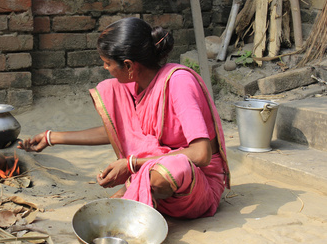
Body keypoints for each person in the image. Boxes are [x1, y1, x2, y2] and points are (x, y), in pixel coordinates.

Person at [18, 17, 230, 219]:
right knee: (111, 90)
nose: (105, 68)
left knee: (170, 170)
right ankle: (136, 190)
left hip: (195, 183)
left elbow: (201, 154)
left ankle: (136, 191)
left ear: (129, 65)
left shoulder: (179, 83)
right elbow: (120, 131)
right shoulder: (134, 87)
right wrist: (50, 137)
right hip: (153, 171)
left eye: (107, 63)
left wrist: (131, 165)